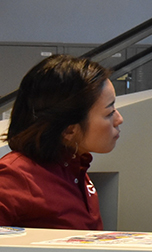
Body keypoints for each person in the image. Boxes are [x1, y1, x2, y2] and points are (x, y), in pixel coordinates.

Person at [0, 55, 123, 229]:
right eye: (109, 113)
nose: (119, 119)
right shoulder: (15, 176)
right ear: (69, 130)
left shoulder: (75, 167)